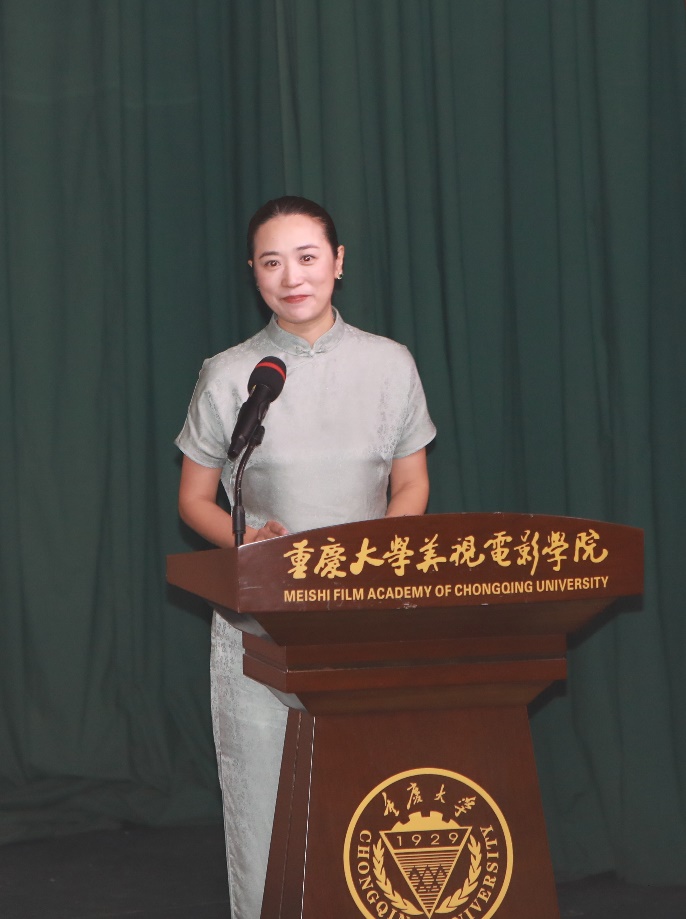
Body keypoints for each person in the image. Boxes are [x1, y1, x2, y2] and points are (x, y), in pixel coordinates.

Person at [175, 195, 436, 918]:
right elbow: (194, 498)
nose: (292, 277)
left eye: (308, 257)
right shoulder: (232, 374)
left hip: (366, 618)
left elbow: (412, 482)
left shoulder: (389, 363)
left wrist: (376, 552)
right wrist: (245, 541)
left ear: (338, 262)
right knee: (266, 811)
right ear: (253, 272)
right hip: (262, 624)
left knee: (373, 802)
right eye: (272, 262)